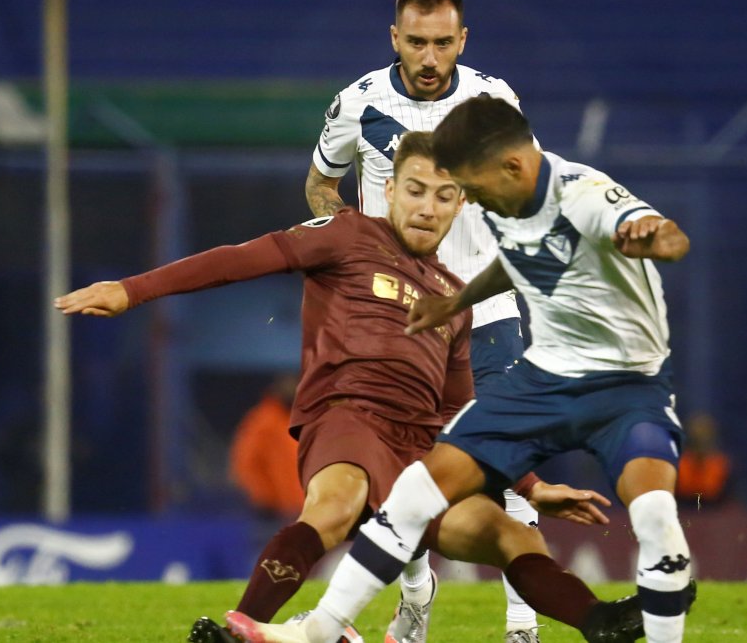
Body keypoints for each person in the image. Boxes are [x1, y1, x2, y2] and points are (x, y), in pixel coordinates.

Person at [55, 132, 646, 643]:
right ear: (389, 190)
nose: (427, 207)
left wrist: (534, 488)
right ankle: (244, 626)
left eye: (444, 196)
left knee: (505, 532)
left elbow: (463, 415)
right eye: (415, 189)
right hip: (347, 416)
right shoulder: (344, 234)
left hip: (416, 450)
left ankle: (598, 622)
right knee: (336, 504)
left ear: (460, 204)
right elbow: (241, 259)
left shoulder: (454, 300)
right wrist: (132, 291)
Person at [228, 96, 696, 643]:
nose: (467, 202)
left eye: (467, 189)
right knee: (416, 495)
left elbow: (663, 231)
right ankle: (323, 631)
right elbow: (516, 265)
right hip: (545, 380)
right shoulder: (507, 210)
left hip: (626, 388)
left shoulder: (585, 195)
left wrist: (653, 238)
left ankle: (587, 620)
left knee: (654, 517)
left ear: (511, 166)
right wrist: (453, 303)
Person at [304, 0, 538, 640]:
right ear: (394, 39)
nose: (430, 58)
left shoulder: (495, 102)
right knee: (399, 473)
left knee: (511, 460)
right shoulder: (359, 103)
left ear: (463, 40)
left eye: (443, 43)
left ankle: (522, 625)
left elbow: (532, 188)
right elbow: (320, 181)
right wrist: (349, 241)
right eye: (417, 43)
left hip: (485, 313)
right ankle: (415, 589)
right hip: (395, 317)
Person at [231, 374, 305, 519]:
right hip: (271, 510)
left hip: (298, 508)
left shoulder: (297, 420)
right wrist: (264, 497)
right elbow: (245, 463)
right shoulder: (263, 420)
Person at [673, 412, 733, 509]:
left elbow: (731, 501)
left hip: (715, 516)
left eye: (705, 434)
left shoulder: (722, 465)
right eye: (697, 436)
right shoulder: (678, 464)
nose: (701, 438)